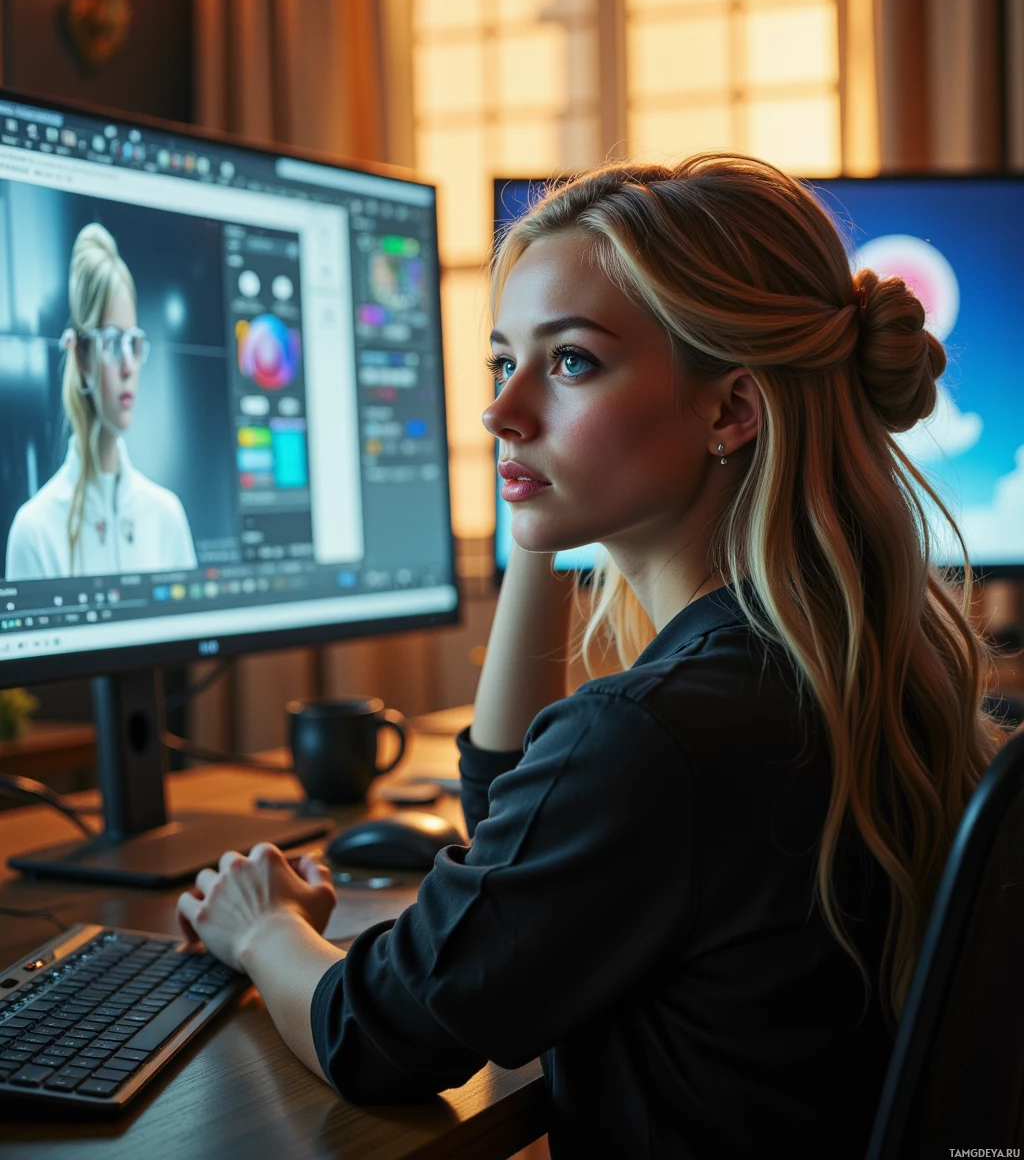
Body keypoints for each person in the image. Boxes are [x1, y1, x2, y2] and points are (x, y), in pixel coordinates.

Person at [175, 156, 1001, 1159]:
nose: (500, 410)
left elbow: (377, 1034)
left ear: (731, 411)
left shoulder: (656, 736)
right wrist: (537, 512)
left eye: (569, 363)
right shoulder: (844, 664)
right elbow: (521, 840)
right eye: (499, 364)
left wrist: (262, 928)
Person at [6, 221, 197, 579]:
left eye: (133, 343)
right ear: (81, 357)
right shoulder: (35, 533)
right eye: (111, 343)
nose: (128, 367)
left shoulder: (166, 518)